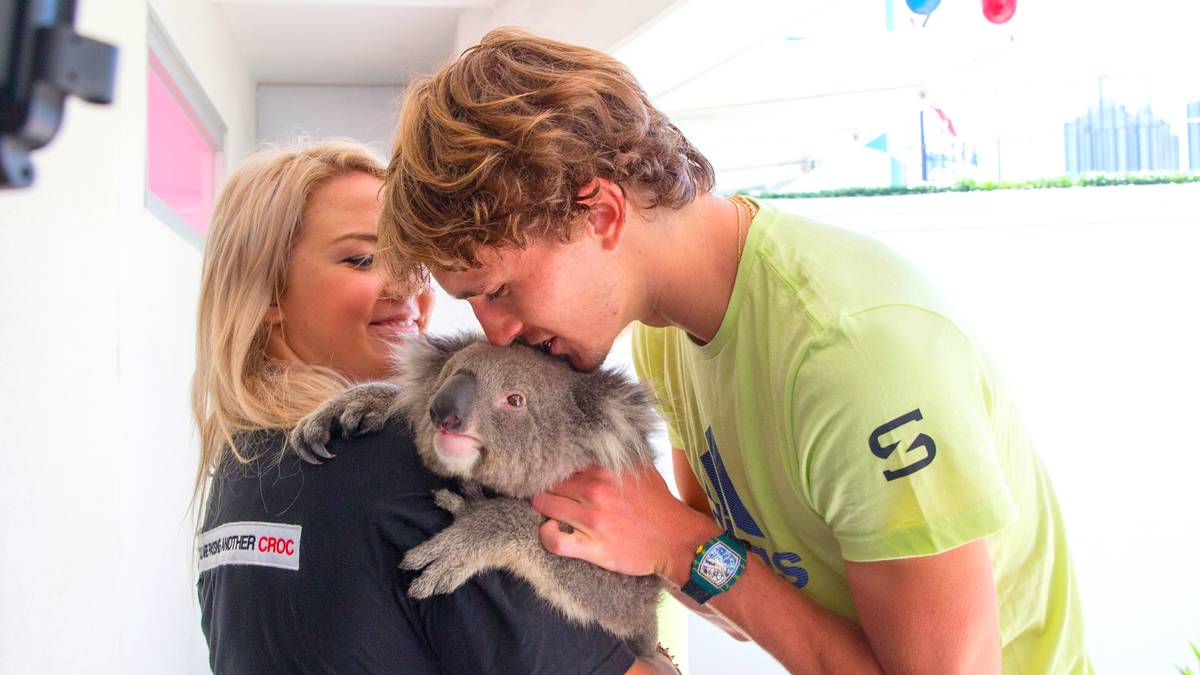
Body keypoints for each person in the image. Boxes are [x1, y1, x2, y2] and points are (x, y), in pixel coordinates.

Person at [377, 28, 1092, 674]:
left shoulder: (855, 356)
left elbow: (695, 553)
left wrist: (675, 542)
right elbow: (730, 590)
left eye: (499, 288)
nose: (495, 331)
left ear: (601, 212)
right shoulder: (663, 333)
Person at [191, 140, 675, 674]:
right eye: (363, 259)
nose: (409, 290)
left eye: (416, 266)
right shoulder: (407, 466)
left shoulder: (239, 471)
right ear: (267, 296)